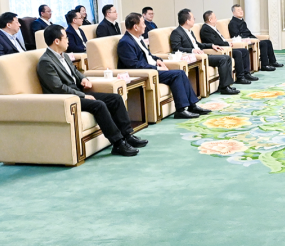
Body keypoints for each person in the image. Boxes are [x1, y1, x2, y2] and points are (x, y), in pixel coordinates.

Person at [38, 25, 146, 157]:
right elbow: (58, 88)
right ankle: (118, 143)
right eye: (66, 37)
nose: (68, 40)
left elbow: (76, 72)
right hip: (66, 99)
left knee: (115, 98)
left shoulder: (64, 56)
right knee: (99, 105)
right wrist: (82, 96)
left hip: (77, 92)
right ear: (56, 41)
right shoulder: (46, 62)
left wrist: (84, 79)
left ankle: (127, 135)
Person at [117, 12, 205, 119]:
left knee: (180, 73)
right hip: (146, 73)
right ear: (135, 27)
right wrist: (157, 68)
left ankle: (192, 105)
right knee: (177, 74)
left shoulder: (138, 38)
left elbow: (148, 55)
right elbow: (134, 65)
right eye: (143, 23)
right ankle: (181, 110)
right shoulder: (125, 42)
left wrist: (158, 60)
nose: (145, 26)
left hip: (152, 68)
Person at [169, 9, 239, 96]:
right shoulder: (176, 32)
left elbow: (197, 44)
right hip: (195, 57)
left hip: (202, 54)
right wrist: (192, 50)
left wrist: (211, 45)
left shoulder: (190, 31)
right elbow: (176, 48)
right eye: (193, 18)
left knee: (227, 58)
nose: (194, 20)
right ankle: (225, 88)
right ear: (187, 21)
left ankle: (224, 85)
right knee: (223, 59)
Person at [199, 10, 255, 85]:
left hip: (225, 47)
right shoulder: (206, 29)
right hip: (219, 50)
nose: (216, 19)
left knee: (244, 51)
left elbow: (221, 39)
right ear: (210, 19)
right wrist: (227, 44)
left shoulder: (213, 27)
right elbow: (214, 42)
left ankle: (246, 73)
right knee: (238, 53)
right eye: (215, 17)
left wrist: (228, 43)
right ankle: (240, 77)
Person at [228, 4, 282, 70]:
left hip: (250, 39)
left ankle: (272, 62)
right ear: (233, 13)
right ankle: (264, 65)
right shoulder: (233, 23)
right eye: (238, 10)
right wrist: (252, 39)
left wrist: (255, 38)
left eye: (241, 10)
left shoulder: (241, 21)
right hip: (244, 41)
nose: (241, 12)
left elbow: (248, 33)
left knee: (268, 42)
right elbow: (236, 36)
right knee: (263, 43)